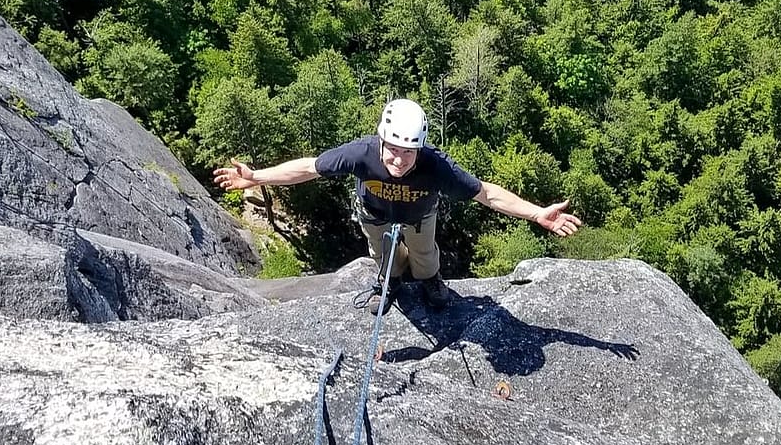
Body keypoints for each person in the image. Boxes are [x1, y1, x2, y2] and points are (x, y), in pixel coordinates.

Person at [213, 98, 582, 313]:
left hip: (420, 217)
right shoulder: (361, 153)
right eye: (393, 148)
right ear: (381, 139)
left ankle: (429, 283)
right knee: (383, 254)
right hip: (374, 215)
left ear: (419, 148)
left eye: (408, 152)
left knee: (424, 256)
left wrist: (537, 213)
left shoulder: (434, 166)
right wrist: (257, 177)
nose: (399, 160)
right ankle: (388, 283)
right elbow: (309, 167)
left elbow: (486, 193)